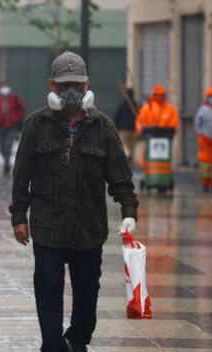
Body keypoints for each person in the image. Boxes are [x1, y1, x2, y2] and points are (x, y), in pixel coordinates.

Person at [9, 51, 139, 352]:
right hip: (47, 225)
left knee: (86, 295)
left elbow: (120, 176)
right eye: (64, 84)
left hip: (88, 227)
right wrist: (19, 216)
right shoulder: (36, 124)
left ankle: (77, 339)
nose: (71, 91)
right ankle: (53, 345)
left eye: (77, 85)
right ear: (52, 85)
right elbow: (21, 174)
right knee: (48, 288)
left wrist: (128, 211)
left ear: (87, 85)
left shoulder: (103, 126)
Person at [135, 85, 180, 166]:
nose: (160, 97)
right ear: (154, 95)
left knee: (163, 160)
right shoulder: (147, 108)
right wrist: (141, 133)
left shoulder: (170, 108)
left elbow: (174, 123)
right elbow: (139, 121)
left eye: (162, 95)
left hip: (164, 139)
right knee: (149, 159)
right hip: (149, 138)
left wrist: (172, 133)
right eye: (158, 95)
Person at [0, 81, 26, 174]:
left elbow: (22, 108)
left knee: (8, 144)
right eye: (3, 87)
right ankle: (5, 160)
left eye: (6, 87)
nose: (5, 89)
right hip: (0, 125)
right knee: (1, 146)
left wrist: (16, 117)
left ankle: (6, 163)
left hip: (12, 125)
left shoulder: (14, 97)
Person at [112, 87, 138, 164]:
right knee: (132, 147)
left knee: (124, 145)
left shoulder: (122, 105)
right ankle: (130, 163)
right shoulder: (135, 105)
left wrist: (115, 128)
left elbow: (117, 117)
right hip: (133, 129)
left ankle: (128, 154)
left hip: (123, 129)